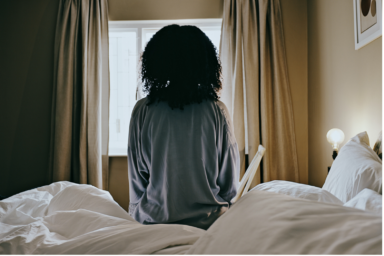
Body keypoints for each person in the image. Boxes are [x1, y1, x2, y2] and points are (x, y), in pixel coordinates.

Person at [127, 24, 240, 230]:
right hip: (209, 225)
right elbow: (229, 187)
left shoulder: (143, 110)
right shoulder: (217, 111)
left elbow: (137, 185)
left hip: (154, 223)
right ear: (205, 62)